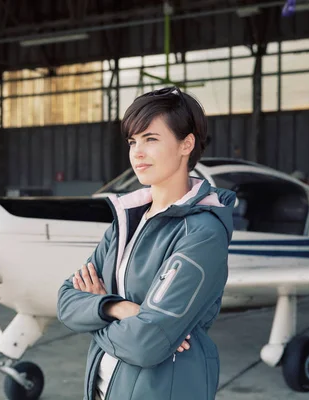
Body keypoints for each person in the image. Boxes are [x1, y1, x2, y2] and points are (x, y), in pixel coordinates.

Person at [57, 86, 235, 400]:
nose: (137, 152)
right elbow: (66, 301)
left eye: (151, 139)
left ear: (186, 144)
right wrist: (119, 307)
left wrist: (96, 312)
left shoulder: (202, 232)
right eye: (133, 141)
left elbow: (147, 343)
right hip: (104, 390)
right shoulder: (127, 220)